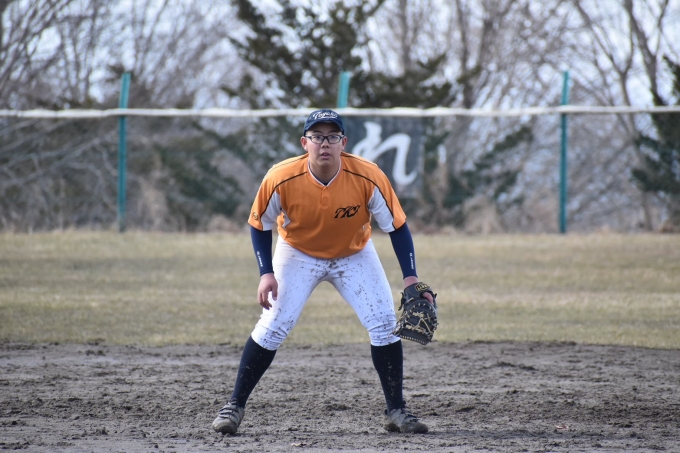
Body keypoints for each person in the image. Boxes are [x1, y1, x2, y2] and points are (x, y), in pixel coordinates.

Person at [212, 108, 434, 435]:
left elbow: (397, 227)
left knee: (384, 323)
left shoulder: (368, 176)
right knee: (274, 325)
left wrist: (411, 277)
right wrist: (266, 272)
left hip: (354, 254)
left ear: (344, 142)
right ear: (305, 143)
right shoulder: (281, 176)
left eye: (332, 136)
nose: (324, 143)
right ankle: (234, 405)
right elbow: (259, 224)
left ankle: (396, 411)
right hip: (298, 252)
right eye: (317, 136)